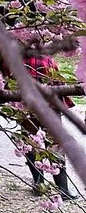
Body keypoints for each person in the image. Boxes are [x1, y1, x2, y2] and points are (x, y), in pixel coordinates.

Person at [21, 39, 78, 200]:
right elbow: (57, 84)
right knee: (54, 144)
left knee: (29, 142)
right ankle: (63, 189)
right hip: (48, 108)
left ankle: (38, 184)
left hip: (25, 104)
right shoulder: (46, 60)